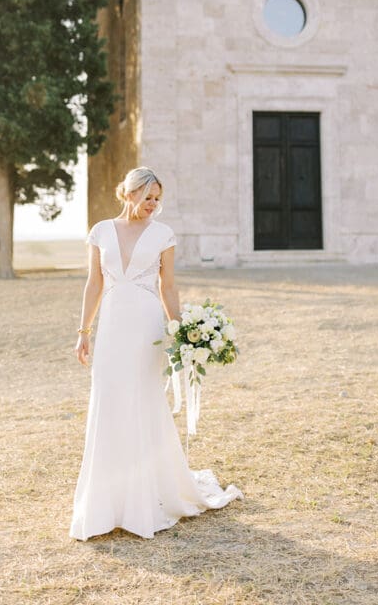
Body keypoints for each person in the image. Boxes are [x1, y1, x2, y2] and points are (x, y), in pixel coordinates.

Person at [69, 166, 243, 540]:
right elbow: (94, 283)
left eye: (157, 199)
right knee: (109, 399)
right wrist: (84, 331)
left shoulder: (163, 234)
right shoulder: (100, 231)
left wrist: (181, 330)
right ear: (128, 193)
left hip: (147, 328)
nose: (153, 205)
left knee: (143, 401)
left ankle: (145, 497)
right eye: (147, 197)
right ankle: (107, 502)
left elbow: (168, 287)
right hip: (113, 326)